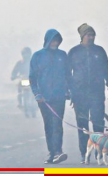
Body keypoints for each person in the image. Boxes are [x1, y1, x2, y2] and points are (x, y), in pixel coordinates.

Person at [68, 23, 108, 164]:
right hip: (79, 93)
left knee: (98, 124)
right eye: (88, 35)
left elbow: (107, 69)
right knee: (82, 126)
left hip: (97, 92)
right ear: (82, 36)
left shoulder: (99, 51)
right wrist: (69, 91)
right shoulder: (74, 52)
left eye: (93, 35)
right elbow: (66, 73)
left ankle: (99, 152)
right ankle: (84, 153)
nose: (91, 37)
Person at [29, 29, 71, 164]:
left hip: (59, 96)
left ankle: (58, 151)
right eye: (53, 40)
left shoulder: (62, 55)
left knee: (57, 124)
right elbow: (32, 77)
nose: (55, 43)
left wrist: (69, 91)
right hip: (44, 98)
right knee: (49, 125)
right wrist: (37, 94)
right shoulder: (37, 56)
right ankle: (52, 153)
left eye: (57, 40)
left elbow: (68, 75)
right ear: (47, 40)